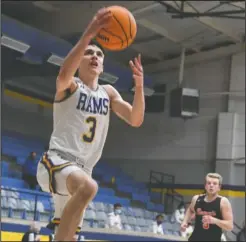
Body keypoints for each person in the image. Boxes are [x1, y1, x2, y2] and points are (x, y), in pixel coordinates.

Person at [36, 7, 145, 241]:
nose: (95, 56)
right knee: (90, 188)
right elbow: (63, 75)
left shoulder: (108, 93)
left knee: (68, 237)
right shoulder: (71, 86)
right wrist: (88, 34)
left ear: (103, 66)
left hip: (82, 171)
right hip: (57, 162)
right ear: (79, 59)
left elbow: (136, 119)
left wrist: (139, 87)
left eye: (99, 54)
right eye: (89, 53)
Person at [180, 173, 233, 241]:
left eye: (214, 183)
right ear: (205, 186)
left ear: (219, 187)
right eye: (209, 183)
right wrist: (185, 221)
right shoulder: (196, 199)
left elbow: (230, 226)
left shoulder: (223, 202)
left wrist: (215, 221)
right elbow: (190, 209)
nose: (211, 185)